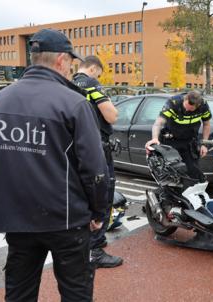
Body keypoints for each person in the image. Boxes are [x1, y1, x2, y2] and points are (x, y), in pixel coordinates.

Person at [0, 28, 108, 301]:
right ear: (62, 60)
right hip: (66, 219)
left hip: (16, 218)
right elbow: (95, 170)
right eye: (71, 63)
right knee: (75, 290)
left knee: (19, 291)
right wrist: (98, 211)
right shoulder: (74, 103)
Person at [72, 56, 123, 269]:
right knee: (103, 193)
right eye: (98, 73)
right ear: (93, 68)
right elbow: (111, 115)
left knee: (82, 195)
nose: (98, 77)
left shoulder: (67, 81)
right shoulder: (91, 83)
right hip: (97, 146)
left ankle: (86, 245)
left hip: (75, 146)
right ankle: (95, 251)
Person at [145, 91, 211, 181]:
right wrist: (155, 138)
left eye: (190, 110)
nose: (187, 111)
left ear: (198, 106)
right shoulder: (173, 103)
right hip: (170, 141)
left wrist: (204, 144)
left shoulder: (203, 106)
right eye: (185, 107)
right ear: (185, 99)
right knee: (170, 173)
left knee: (193, 171)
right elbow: (158, 123)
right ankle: (167, 193)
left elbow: (206, 124)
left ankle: (190, 192)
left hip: (189, 141)